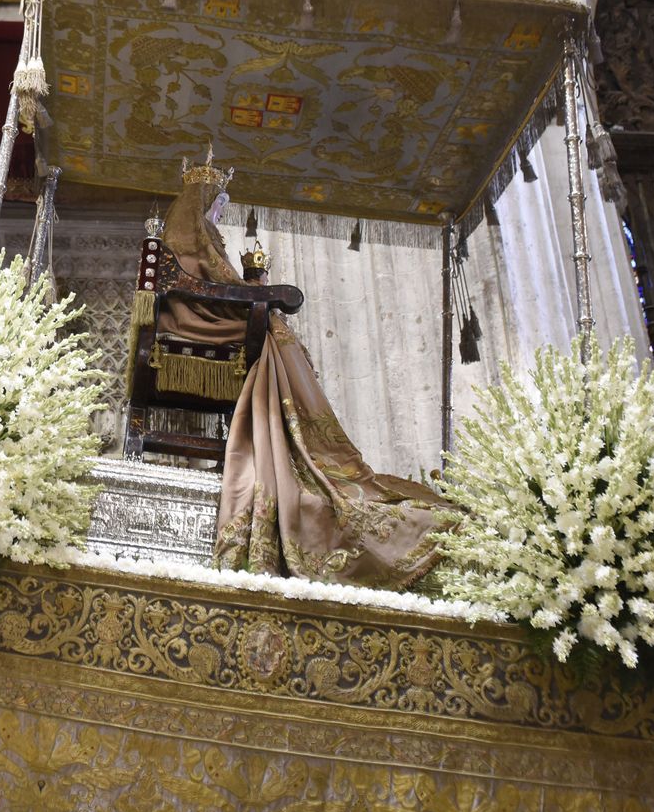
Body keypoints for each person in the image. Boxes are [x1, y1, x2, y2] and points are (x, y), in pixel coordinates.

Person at [157, 153, 454, 589]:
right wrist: (261, 293)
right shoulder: (189, 230)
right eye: (215, 204)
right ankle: (304, 443)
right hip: (197, 321)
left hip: (210, 313)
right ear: (200, 200)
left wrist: (254, 291)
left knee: (274, 328)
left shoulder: (203, 234)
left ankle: (306, 441)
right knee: (275, 330)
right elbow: (207, 283)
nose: (218, 213)